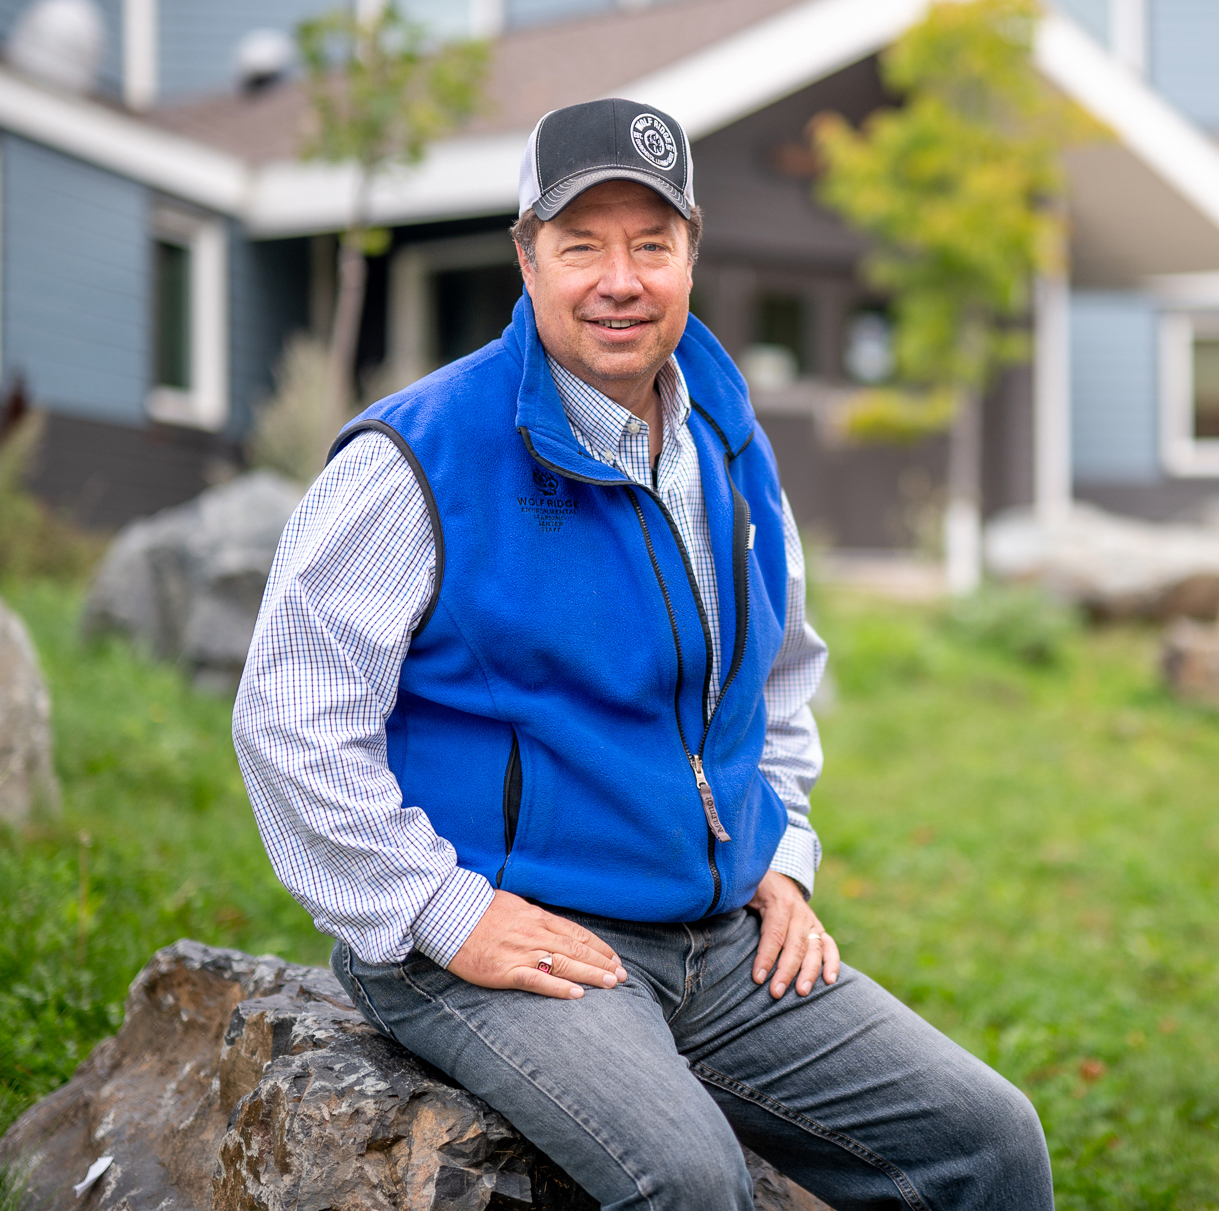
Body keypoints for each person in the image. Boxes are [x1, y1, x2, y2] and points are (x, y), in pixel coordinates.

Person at [234, 98, 1053, 1210]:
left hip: (717, 938)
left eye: (650, 243)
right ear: (526, 256)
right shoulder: (418, 456)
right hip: (518, 935)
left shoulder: (728, 439)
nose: (619, 278)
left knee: (991, 1140)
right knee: (690, 1180)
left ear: (691, 254)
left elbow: (778, 674)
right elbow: (289, 719)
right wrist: (444, 910)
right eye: (581, 244)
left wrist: (781, 850)